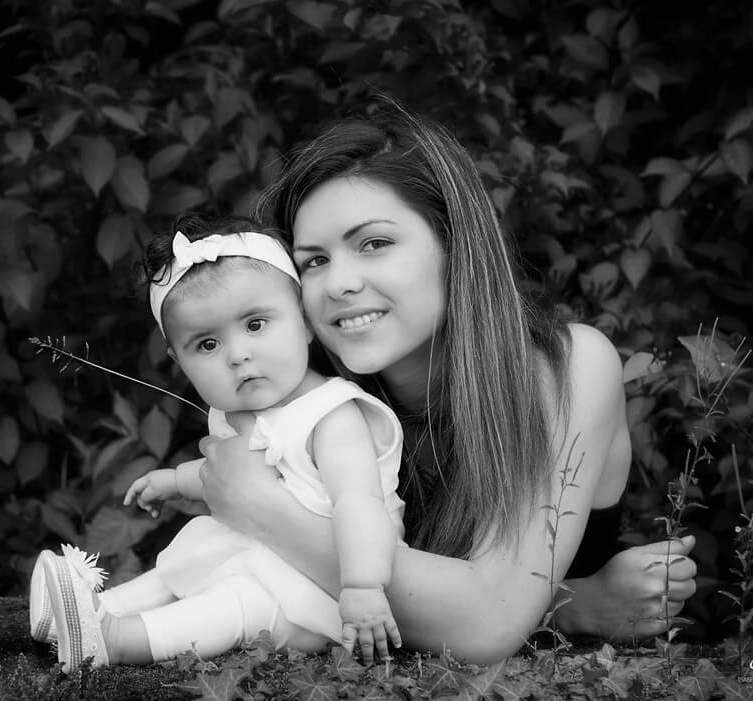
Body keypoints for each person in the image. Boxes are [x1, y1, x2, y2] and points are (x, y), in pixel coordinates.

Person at [192, 103, 698, 664]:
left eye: (374, 244)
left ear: (454, 246)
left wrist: (266, 510)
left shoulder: (567, 365)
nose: (337, 283)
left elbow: (486, 623)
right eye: (313, 261)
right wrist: (563, 605)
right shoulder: (312, 399)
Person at [30, 217, 405, 673]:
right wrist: (174, 480)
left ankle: (117, 641)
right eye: (207, 344)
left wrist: (363, 587)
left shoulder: (332, 414)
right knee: (181, 564)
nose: (237, 354)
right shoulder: (233, 413)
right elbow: (227, 473)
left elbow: (359, 502)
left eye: (256, 324)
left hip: (321, 594)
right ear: (179, 362)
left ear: (305, 323)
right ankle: (92, 612)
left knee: (235, 604)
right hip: (264, 556)